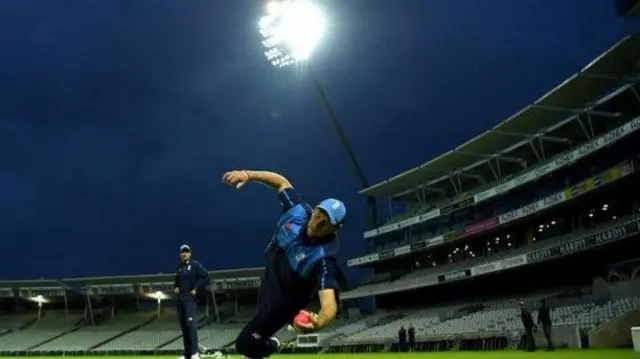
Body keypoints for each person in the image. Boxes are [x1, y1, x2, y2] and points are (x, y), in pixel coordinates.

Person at [222, 169, 347, 359]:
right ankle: (262, 342)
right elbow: (281, 182)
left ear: (335, 229)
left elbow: (329, 304)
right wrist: (247, 175)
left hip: (285, 301)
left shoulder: (322, 258)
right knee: (254, 340)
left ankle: (271, 345)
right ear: (315, 208)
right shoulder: (298, 212)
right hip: (270, 280)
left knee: (244, 345)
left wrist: (319, 321)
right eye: (319, 213)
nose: (317, 222)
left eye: (326, 222)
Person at [174, 245, 211, 359]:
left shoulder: (195, 265)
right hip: (180, 300)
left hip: (190, 300)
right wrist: (175, 287)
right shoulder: (179, 267)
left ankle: (195, 353)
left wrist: (197, 289)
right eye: (183, 252)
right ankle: (187, 354)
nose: (185, 254)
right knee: (184, 326)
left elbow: (206, 277)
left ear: (190, 254)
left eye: (187, 252)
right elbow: (177, 282)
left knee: (190, 325)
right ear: (180, 254)